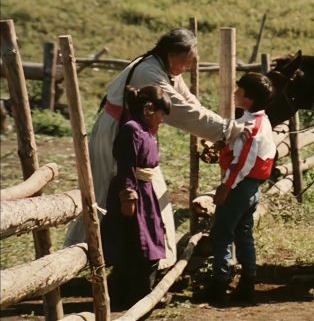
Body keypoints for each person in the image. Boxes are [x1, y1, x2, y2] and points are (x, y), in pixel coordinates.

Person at [64, 28, 246, 270]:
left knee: (147, 194)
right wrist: (228, 130)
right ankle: (76, 257)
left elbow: (191, 102)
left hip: (137, 137)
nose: (190, 67)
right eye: (188, 61)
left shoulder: (163, 68)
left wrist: (219, 130)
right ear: (173, 54)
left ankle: (149, 260)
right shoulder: (149, 71)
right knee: (105, 193)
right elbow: (182, 111)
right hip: (119, 134)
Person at [100, 85, 171, 308]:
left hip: (146, 193)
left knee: (148, 243)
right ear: (150, 109)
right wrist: (128, 196)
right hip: (133, 193)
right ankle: (132, 296)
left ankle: (139, 294)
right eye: (161, 114)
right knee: (135, 244)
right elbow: (126, 165)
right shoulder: (131, 129)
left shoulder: (146, 131)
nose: (162, 120)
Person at [208, 73, 276, 304]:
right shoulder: (259, 120)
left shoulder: (251, 126)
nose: (235, 93)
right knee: (243, 233)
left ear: (249, 98)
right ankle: (248, 282)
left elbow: (243, 161)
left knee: (222, 233)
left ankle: (219, 284)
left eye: (239, 90)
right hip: (252, 188)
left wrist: (226, 186)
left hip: (239, 186)